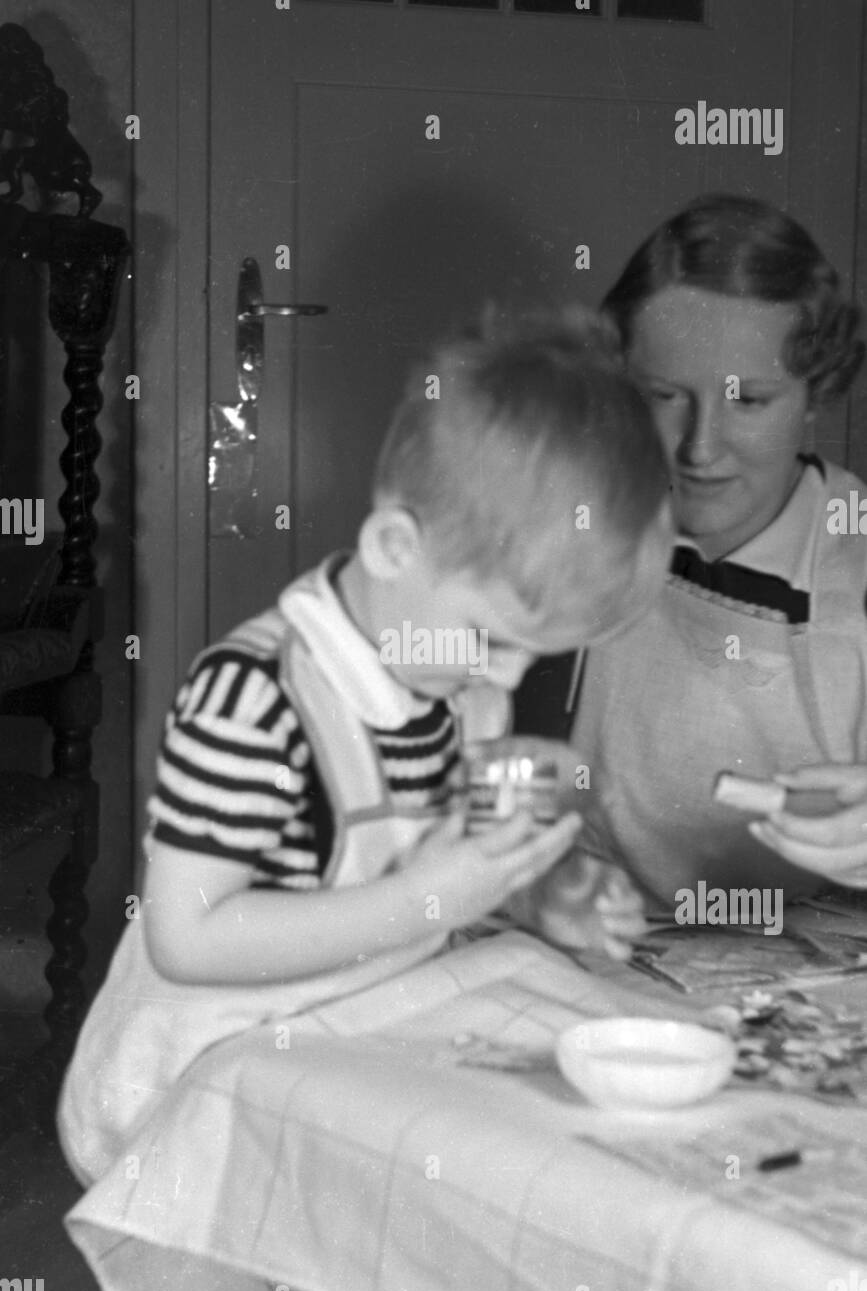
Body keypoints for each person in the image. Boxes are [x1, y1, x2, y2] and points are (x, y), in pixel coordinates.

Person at [58, 306, 673, 1184]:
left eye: (541, 650)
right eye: (494, 638)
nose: (505, 674)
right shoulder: (253, 701)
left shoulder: (460, 680)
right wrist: (429, 898)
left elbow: (445, 858)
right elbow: (186, 939)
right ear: (393, 546)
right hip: (195, 1092)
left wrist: (535, 898)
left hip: (352, 1041)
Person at [516, 194, 867, 948]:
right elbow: (480, 777)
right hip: (593, 954)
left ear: (817, 395)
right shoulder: (567, 536)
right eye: (665, 397)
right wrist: (530, 889)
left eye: (750, 400)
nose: (699, 449)